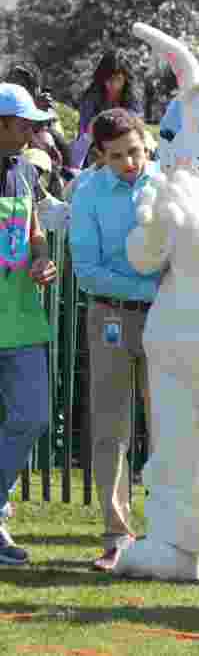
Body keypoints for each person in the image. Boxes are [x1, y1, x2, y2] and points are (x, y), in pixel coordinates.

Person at [68, 108, 159, 571]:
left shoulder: (166, 185)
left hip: (168, 319)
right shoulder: (86, 191)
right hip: (110, 317)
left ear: (148, 144)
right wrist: (151, 288)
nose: (131, 163)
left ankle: (169, 534)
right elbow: (87, 272)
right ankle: (117, 534)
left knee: (169, 425)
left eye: (137, 152)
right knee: (110, 429)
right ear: (100, 155)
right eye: (119, 155)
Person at [0, 83, 59, 565]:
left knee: (32, 416)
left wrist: (42, 260)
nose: (31, 131)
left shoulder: (24, 171)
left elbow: (34, 233)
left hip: (21, 321)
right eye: (23, 123)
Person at [72, 51, 141, 169]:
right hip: (97, 151)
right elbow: (84, 136)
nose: (113, 85)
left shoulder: (132, 100)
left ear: (125, 79)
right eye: (108, 80)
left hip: (127, 148)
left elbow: (138, 130)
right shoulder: (91, 99)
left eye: (118, 79)